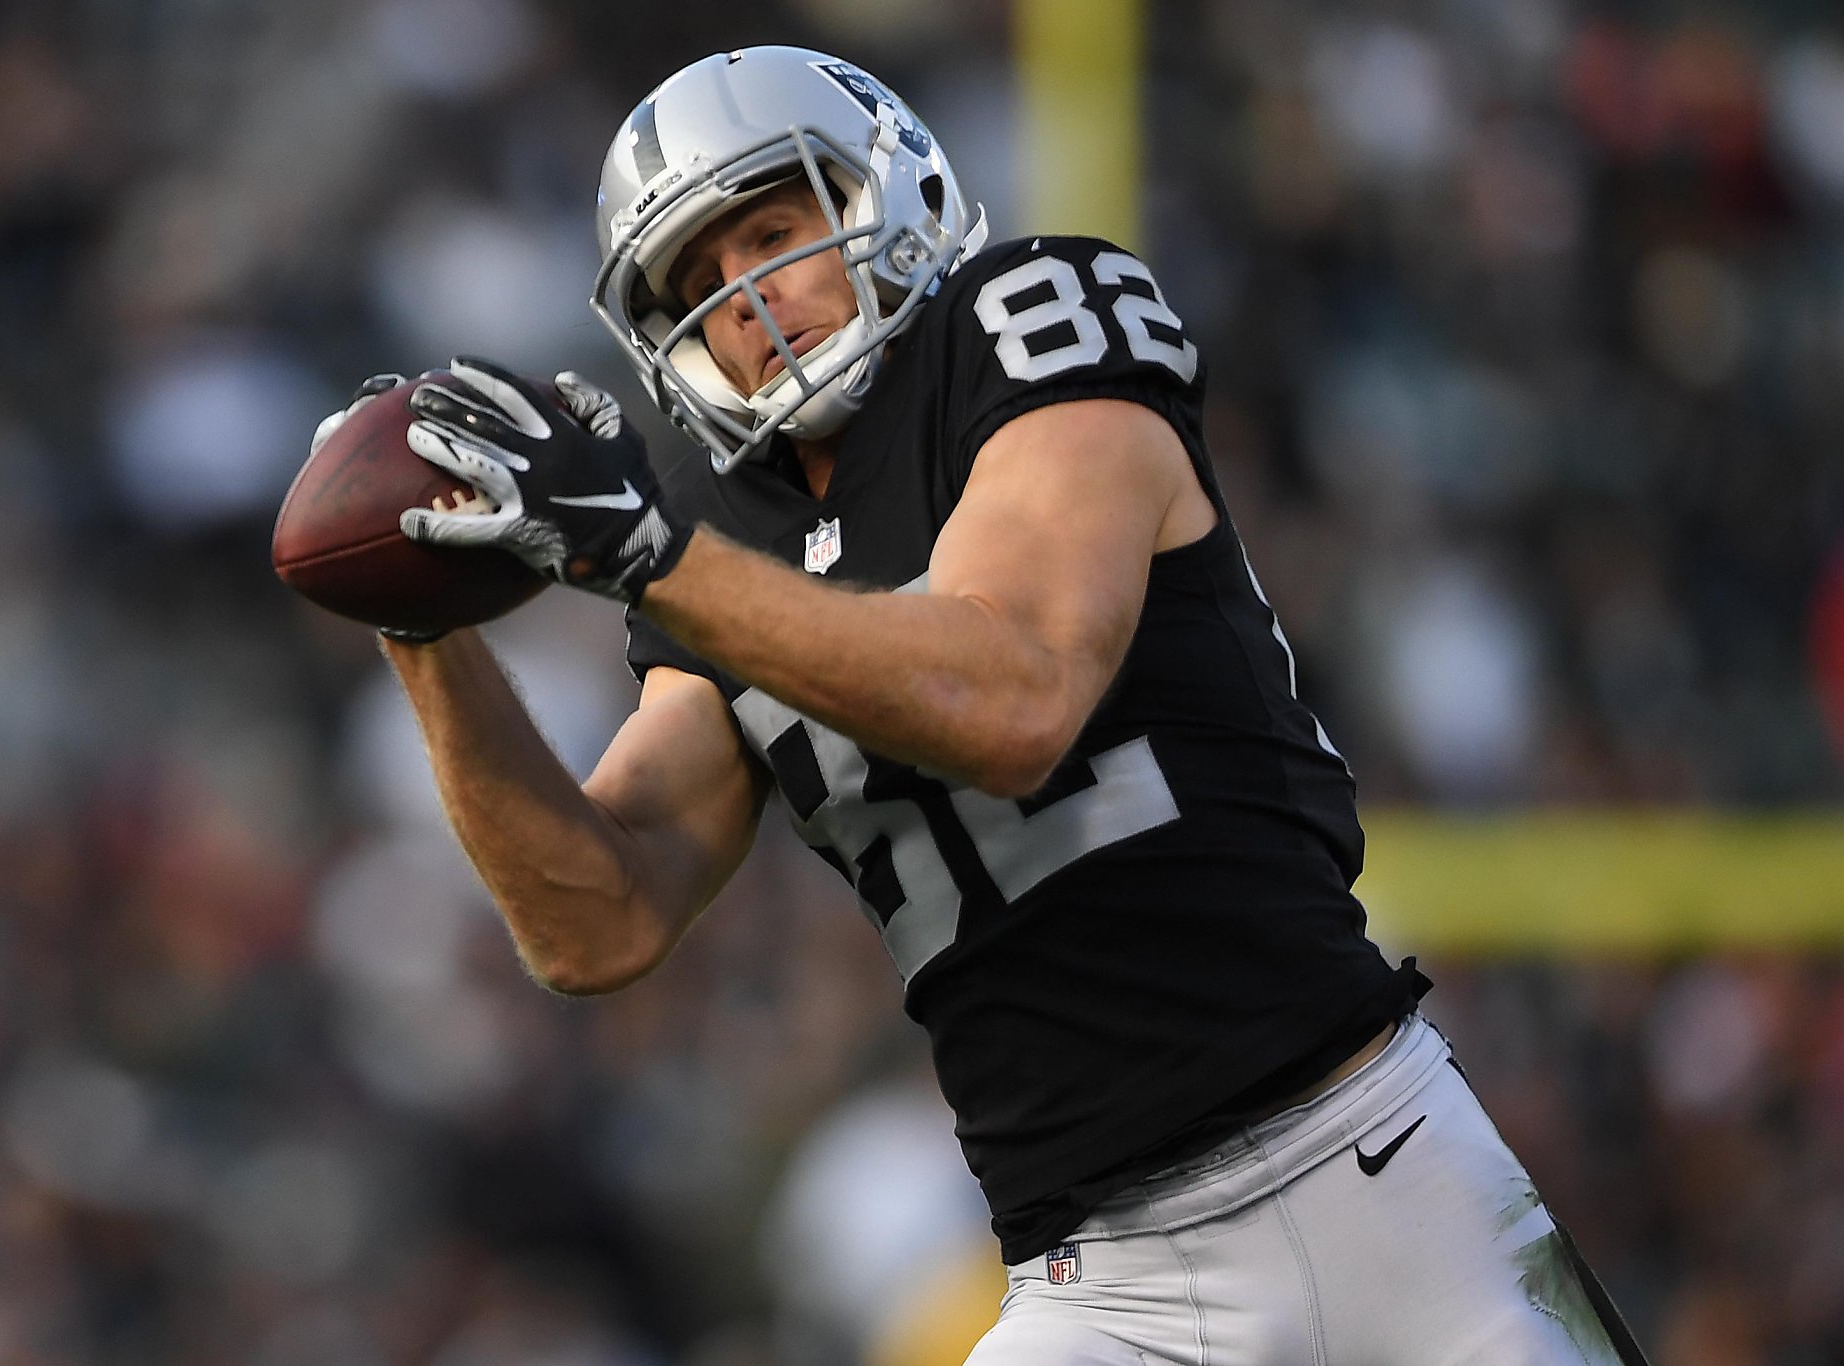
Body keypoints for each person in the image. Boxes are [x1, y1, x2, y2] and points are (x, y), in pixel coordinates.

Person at [321, 45, 1649, 1366]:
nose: (749, 298)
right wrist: (421, 629)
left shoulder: (1030, 323)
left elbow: (1017, 698)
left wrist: (653, 559)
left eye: (773, 230)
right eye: (701, 282)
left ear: (877, 192)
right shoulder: (720, 523)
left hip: (1374, 1172)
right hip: (1102, 1278)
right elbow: (596, 917)